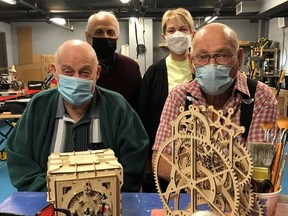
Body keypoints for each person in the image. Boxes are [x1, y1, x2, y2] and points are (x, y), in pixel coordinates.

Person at [5, 39, 149, 192]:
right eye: (68, 72)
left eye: (85, 72)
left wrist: (105, 192)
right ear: (54, 72)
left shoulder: (117, 106)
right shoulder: (39, 105)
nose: (76, 79)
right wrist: (53, 192)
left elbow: (135, 156)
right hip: (49, 203)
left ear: (97, 73)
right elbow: (19, 158)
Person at [152, 23, 279, 183]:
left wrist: (191, 167)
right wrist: (218, 176)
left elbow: (259, 170)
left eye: (223, 55)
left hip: (242, 202)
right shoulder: (179, 96)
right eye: (202, 57)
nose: (212, 64)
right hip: (192, 200)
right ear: (191, 62)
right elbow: (161, 162)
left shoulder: (261, 97)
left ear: (239, 58)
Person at [137, 7, 195, 192]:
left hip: (198, 157)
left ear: (192, 34)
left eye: (183, 29)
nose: (177, 34)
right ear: (164, 36)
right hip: (163, 160)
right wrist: (147, 163)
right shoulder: (154, 74)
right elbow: (143, 120)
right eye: (171, 30)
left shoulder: (203, 70)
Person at [85, 11, 142, 109]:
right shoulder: (77, 68)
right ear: (87, 36)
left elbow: (138, 107)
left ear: (117, 37)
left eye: (110, 32)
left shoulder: (131, 68)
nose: (106, 36)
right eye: (99, 32)